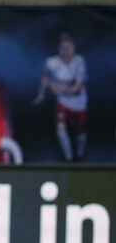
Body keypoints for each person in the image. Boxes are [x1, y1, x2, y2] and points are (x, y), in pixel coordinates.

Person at [32, 33, 87, 162]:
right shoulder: (52, 62)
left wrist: (58, 89)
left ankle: (80, 155)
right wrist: (41, 94)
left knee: (81, 134)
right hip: (62, 102)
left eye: (69, 48)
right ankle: (68, 159)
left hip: (79, 104)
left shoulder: (79, 62)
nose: (67, 51)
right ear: (59, 49)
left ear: (73, 48)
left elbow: (77, 88)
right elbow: (45, 77)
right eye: (64, 48)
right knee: (61, 131)